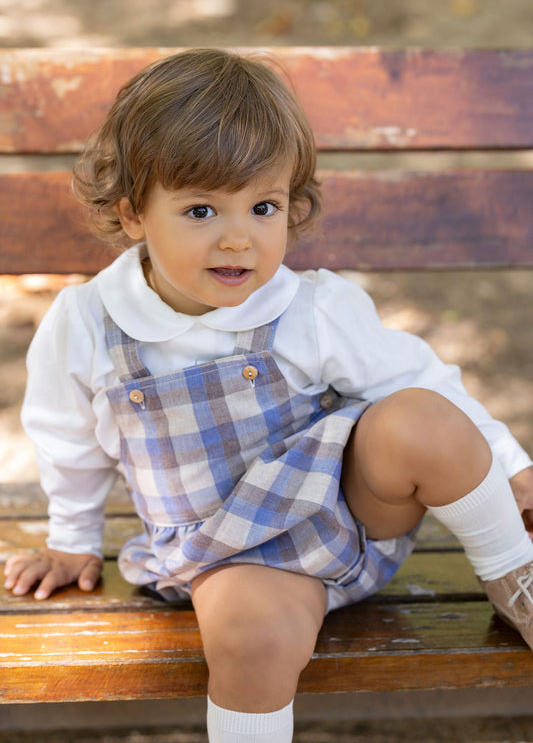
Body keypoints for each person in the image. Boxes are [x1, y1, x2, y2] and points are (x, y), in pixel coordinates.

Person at [4, 48, 533, 743]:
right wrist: (72, 542)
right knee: (252, 643)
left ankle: (514, 577)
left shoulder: (311, 307)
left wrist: (510, 467)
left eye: (263, 207)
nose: (238, 239)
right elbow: (65, 438)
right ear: (133, 215)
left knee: (419, 417)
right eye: (200, 210)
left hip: (355, 514)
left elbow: (422, 380)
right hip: (231, 554)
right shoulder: (88, 325)